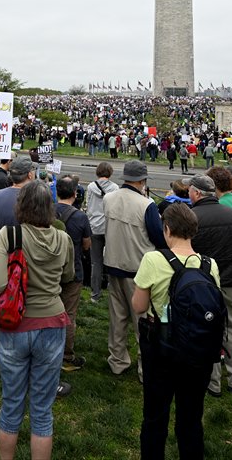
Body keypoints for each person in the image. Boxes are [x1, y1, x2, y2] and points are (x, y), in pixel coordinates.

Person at [0, 180, 74, 460]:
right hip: (52, 322)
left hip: (16, 324)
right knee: (42, 408)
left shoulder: (9, 235)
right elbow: (68, 276)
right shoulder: (63, 238)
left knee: (12, 401)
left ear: (20, 205)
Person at [131, 202, 221, 460]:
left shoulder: (153, 259)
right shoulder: (209, 265)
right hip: (198, 348)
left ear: (167, 229)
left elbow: (138, 306)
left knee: (155, 415)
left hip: (161, 346)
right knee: (191, 417)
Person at [182, 174, 232, 397]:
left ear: (198, 193)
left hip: (204, 282)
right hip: (231, 279)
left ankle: (212, 382)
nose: (188, 194)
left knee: (206, 326)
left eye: (190, 191)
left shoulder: (191, 216)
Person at [103, 160, 167, 383]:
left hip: (113, 264)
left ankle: (117, 361)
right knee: (143, 321)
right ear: (142, 181)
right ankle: (145, 366)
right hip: (138, 269)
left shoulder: (109, 198)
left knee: (117, 318)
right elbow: (158, 237)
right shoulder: (146, 204)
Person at [55, 175, 92, 372]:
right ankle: (66, 355)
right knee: (68, 314)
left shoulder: (47, 212)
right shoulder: (80, 217)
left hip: (50, 270)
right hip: (73, 270)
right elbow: (87, 245)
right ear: (75, 194)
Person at [84, 162, 118, 303]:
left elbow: (87, 204)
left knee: (95, 263)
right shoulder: (115, 187)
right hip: (109, 226)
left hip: (94, 226)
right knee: (111, 261)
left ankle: (95, 295)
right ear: (110, 173)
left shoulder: (91, 187)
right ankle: (113, 294)